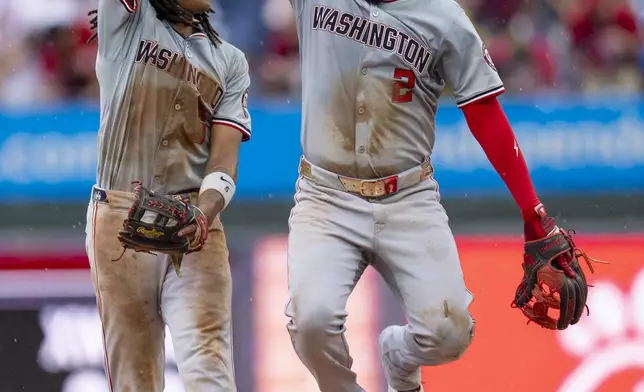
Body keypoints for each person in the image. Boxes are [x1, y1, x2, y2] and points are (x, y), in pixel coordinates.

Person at [285, 0, 596, 391]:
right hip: (325, 195)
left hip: (407, 197)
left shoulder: (443, 16)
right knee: (312, 323)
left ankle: (399, 355)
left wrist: (533, 214)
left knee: (448, 333)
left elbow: (486, 114)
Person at [85, 0, 251, 390]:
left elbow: (223, 163)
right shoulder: (124, 22)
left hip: (194, 219)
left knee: (208, 366)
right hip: (120, 214)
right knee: (135, 379)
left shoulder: (230, 61)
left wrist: (204, 214)